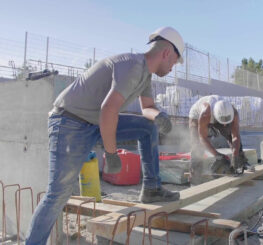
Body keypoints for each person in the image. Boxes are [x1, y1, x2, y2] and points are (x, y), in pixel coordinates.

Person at [25, 26, 184, 245]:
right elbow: (108, 110)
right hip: (69, 123)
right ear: (166, 53)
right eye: (174, 62)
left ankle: (152, 188)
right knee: (58, 194)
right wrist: (111, 154)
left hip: (94, 123)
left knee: (148, 128)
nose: (173, 67)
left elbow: (147, 107)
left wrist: (159, 116)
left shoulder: (145, 76)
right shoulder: (132, 66)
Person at [188, 95, 249, 185]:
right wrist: (217, 155)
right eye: (222, 123)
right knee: (197, 145)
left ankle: (240, 161)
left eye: (226, 122)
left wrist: (235, 154)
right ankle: (195, 175)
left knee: (229, 133)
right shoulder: (206, 113)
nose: (224, 125)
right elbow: (203, 138)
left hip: (218, 116)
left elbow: (235, 136)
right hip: (197, 117)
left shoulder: (233, 112)